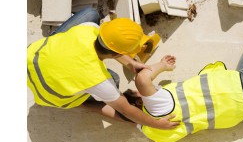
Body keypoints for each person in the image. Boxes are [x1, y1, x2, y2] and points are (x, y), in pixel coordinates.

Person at [27, 7, 179, 130]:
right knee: (115, 80)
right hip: (51, 96)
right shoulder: (99, 80)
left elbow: (108, 45)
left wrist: (130, 63)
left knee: (90, 13)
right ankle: (81, 102)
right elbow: (126, 110)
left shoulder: (88, 29)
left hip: (31, 59)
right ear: (117, 54)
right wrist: (157, 124)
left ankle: (55, 43)